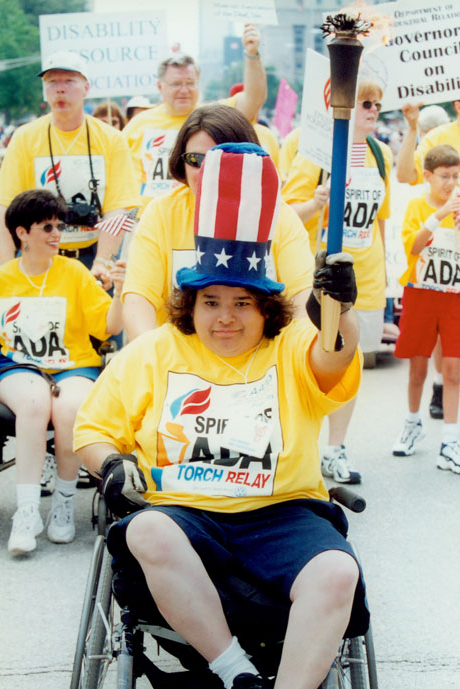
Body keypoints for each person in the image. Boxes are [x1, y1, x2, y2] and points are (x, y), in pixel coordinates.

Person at [74, 143, 367, 689]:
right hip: (187, 513)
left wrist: (343, 310)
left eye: (241, 304)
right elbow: (92, 430)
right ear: (191, 303)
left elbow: (335, 356)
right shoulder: (156, 350)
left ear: (266, 310)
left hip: (281, 511)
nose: (225, 318)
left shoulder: (288, 348)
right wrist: (110, 463)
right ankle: (239, 676)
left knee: (338, 572)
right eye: (210, 303)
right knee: (147, 527)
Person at [0, 189, 126, 555]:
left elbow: (108, 327)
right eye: (46, 226)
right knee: (34, 402)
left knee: (70, 409)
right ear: (21, 232)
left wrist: (122, 291)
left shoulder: (75, 272)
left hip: (74, 365)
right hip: (18, 367)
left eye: (58, 226)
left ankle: (63, 503)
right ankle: (27, 512)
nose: (56, 234)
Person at [121, 105, 314, 340]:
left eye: (217, 160)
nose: (205, 171)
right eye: (195, 160)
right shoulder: (161, 213)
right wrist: (149, 356)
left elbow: (303, 298)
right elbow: (138, 299)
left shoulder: (280, 216)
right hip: (177, 366)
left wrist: (301, 355)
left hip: (259, 365)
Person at [281, 79, 392, 484]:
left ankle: (335, 448)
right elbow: (288, 215)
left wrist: (385, 272)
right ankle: (301, 448)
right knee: (309, 361)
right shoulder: (316, 152)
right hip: (317, 277)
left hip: (364, 276)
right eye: (365, 102)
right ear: (342, 106)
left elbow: (380, 218)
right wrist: (317, 200)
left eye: (377, 104)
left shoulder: (380, 152)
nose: (373, 110)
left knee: (352, 362)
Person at [0, 51, 140, 280]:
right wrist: (6, 270)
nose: (60, 89)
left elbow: (118, 208)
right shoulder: (24, 137)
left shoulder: (111, 139)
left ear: (86, 88)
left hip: (91, 254)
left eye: (69, 81)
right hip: (37, 256)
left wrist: (102, 261)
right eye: (52, 82)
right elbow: (3, 208)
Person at [122, 24, 266, 210]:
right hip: (150, 220)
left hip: (204, 219)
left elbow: (253, 99)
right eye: (176, 84)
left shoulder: (214, 116)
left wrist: (252, 54)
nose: (184, 90)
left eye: (190, 83)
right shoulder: (138, 125)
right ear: (160, 87)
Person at [392, 145, 460, 473]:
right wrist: (441, 213)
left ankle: (450, 441)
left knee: (452, 369)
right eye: (445, 176)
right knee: (417, 368)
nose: (451, 182)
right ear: (429, 176)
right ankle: (412, 422)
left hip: (453, 295)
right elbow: (414, 246)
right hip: (420, 291)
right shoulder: (419, 206)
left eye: (456, 176)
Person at [396, 101, 458, 420]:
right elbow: (407, 174)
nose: (451, 181)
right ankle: (432, 392)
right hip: (429, 272)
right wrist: (411, 127)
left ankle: (450, 434)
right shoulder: (439, 136)